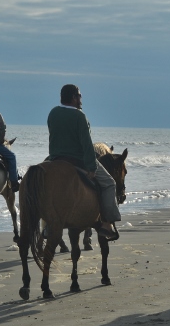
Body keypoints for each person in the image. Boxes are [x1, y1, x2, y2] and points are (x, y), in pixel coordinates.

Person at [47, 84, 120, 240]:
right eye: (79, 96)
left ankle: (48, 224)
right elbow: (86, 144)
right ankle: (107, 224)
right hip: (77, 159)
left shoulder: (53, 113)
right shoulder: (80, 116)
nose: (81, 99)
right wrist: (91, 167)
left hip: (55, 158)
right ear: (73, 97)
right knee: (110, 183)